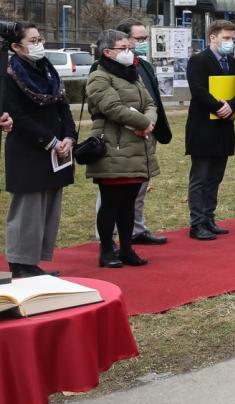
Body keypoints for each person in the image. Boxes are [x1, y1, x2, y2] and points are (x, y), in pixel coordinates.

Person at [88, 18, 172, 247]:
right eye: (134, 41)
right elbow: (112, 107)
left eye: (144, 40)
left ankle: (134, 234)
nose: (137, 46)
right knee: (111, 198)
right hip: (115, 143)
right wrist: (143, 122)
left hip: (141, 139)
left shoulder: (138, 67)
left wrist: (148, 124)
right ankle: (107, 241)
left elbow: (151, 102)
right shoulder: (100, 72)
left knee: (133, 196)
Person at [3, 22, 75, 278]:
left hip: (57, 149)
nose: (39, 44)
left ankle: (34, 261)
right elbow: (17, 115)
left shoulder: (47, 68)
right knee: (28, 208)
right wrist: (50, 141)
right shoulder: (11, 72)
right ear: (15, 46)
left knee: (49, 206)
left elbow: (62, 105)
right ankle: (20, 262)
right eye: (32, 41)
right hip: (29, 149)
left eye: (40, 38)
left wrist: (68, 136)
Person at [185, 20, 235, 240]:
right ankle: (197, 222)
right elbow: (198, 90)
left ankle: (209, 218)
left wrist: (232, 106)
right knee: (200, 176)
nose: (230, 42)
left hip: (224, 127)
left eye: (232, 38)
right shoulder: (198, 61)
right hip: (203, 127)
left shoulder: (234, 64)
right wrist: (219, 106)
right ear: (213, 38)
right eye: (226, 38)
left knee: (215, 177)